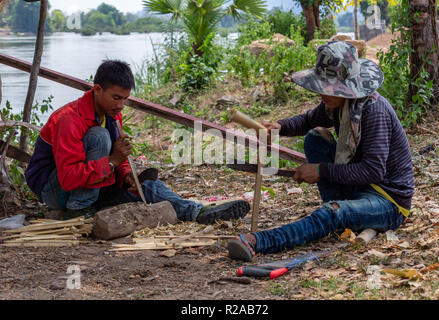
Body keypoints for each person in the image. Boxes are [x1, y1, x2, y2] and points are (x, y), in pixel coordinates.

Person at [227, 41, 415, 261]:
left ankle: (260, 241)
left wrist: (321, 171)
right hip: (357, 186)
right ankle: (341, 210)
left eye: (329, 87)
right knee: (316, 136)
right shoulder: (337, 104)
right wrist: (281, 127)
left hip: (387, 201)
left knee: (332, 212)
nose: (322, 93)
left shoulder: (374, 111)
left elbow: (373, 172)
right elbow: (308, 120)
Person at [25, 60, 250, 223]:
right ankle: (78, 212)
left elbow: (118, 157)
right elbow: (68, 178)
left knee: (148, 187)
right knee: (99, 136)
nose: (121, 105)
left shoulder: (112, 113)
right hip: (56, 191)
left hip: (93, 182)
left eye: (125, 99)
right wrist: (112, 162)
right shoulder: (68, 120)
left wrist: (125, 174)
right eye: (116, 98)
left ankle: (198, 213)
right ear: (97, 89)